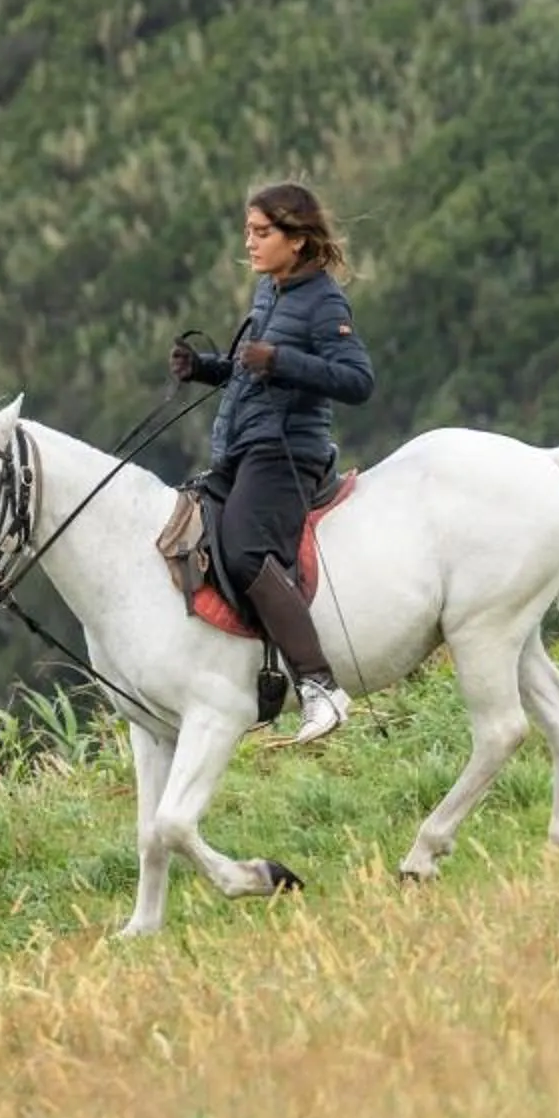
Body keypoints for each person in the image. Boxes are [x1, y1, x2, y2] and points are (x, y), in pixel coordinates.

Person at [169, 182, 374, 745]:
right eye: (248, 232)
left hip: (289, 454)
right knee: (188, 529)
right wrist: (206, 368)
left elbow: (359, 381)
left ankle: (319, 686)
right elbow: (249, 370)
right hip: (241, 447)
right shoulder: (269, 292)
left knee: (244, 547)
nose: (250, 243)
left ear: (298, 238)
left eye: (262, 233)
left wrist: (282, 359)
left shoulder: (324, 300)